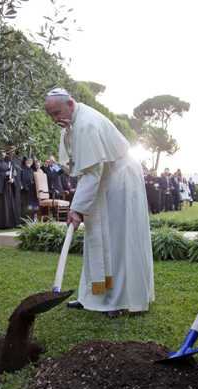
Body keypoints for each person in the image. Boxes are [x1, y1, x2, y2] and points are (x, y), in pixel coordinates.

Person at [45, 88, 154, 317]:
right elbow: (83, 168)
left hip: (119, 182)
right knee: (96, 238)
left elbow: (91, 173)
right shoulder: (72, 123)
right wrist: (80, 207)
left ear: (71, 104)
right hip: (104, 179)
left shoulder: (86, 125)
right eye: (51, 115)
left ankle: (121, 301)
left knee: (117, 241)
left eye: (57, 113)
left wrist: (76, 209)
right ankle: (92, 296)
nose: (55, 119)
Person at [0, 151, 18, 229]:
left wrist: (12, 179)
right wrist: (5, 174)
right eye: (2, 153)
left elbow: (10, 173)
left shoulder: (6, 163)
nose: (3, 155)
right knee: (1, 207)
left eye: (4, 153)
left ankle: (9, 224)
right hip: (0, 188)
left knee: (8, 206)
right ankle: (0, 224)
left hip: (7, 187)